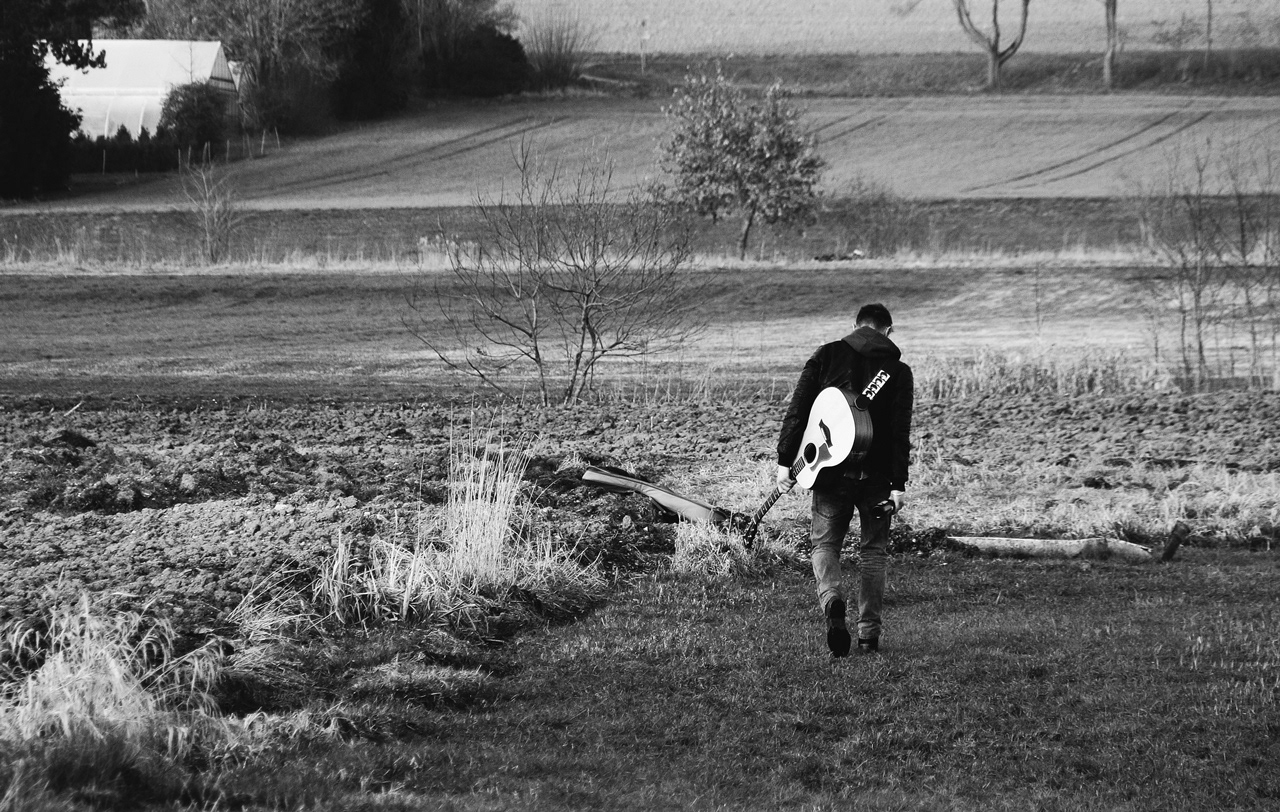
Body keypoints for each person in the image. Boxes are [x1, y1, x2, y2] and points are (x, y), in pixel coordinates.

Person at [775, 303, 914, 658]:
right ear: (888, 331)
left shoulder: (827, 354)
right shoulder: (898, 371)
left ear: (854, 326)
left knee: (824, 546)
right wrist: (898, 484)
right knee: (873, 554)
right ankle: (869, 636)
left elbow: (800, 408)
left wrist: (784, 461)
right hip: (878, 478)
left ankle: (833, 601)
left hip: (830, 472)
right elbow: (900, 431)